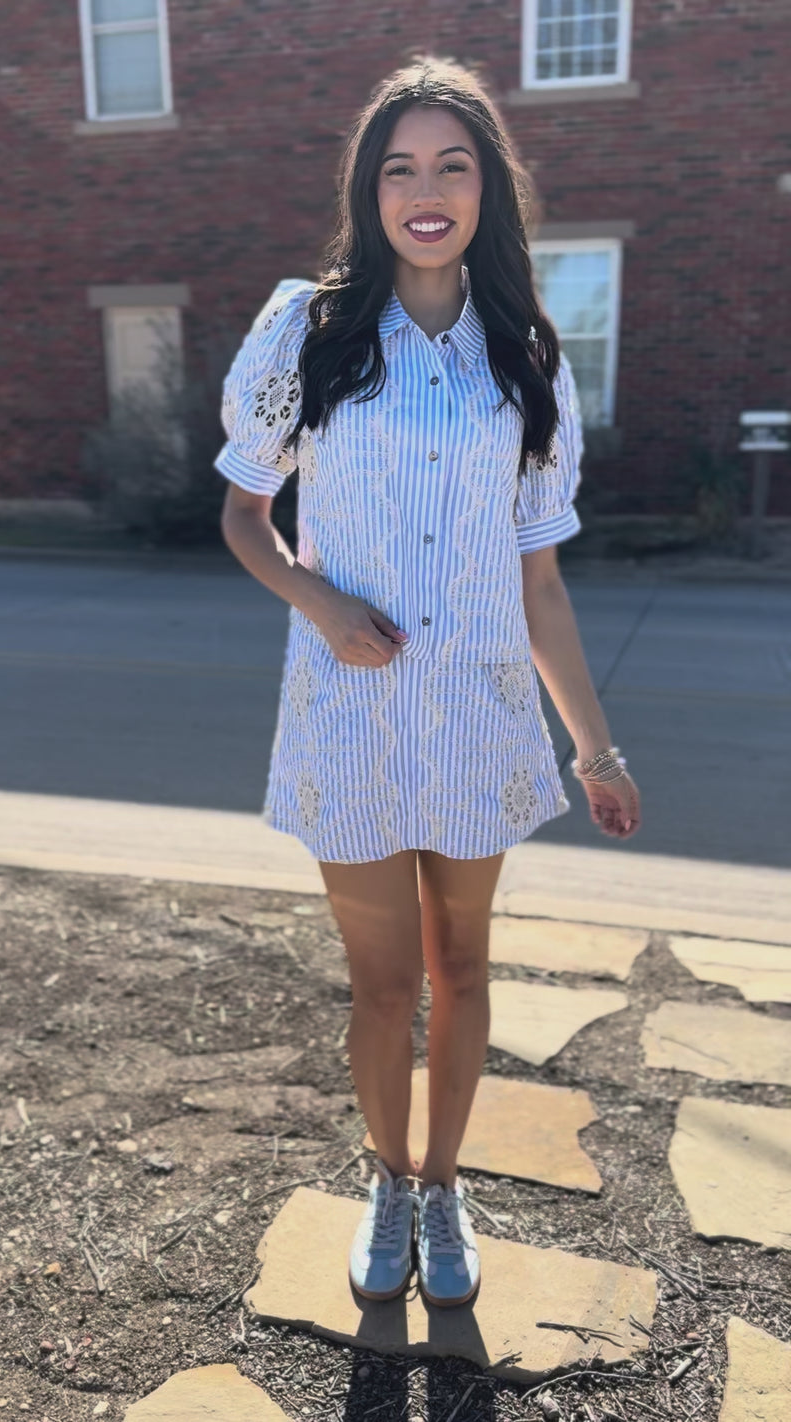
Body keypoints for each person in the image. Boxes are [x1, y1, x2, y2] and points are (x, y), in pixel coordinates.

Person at [214, 55, 642, 1309]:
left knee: (464, 965)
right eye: (398, 165)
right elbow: (244, 517)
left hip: (476, 713)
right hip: (345, 713)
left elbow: (540, 583)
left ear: (484, 190)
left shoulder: (523, 358)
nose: (424, 187)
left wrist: (596, 749)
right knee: (381, 981)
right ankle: (384, 1178)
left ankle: (441, 1184)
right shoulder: (310, 325)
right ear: (370, 187)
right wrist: (321, 600)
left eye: (451, 163)